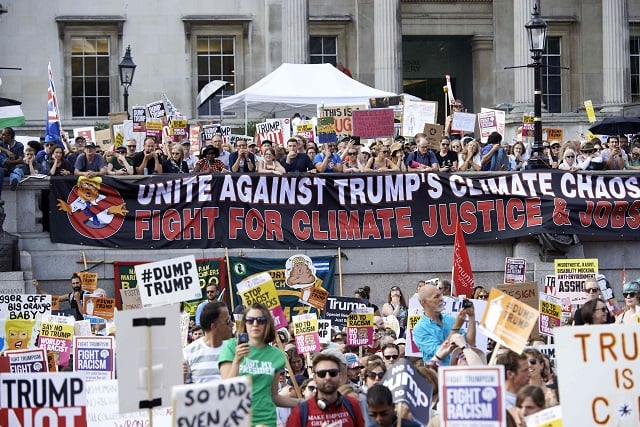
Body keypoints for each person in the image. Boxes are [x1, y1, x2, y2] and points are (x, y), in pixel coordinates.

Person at [220, 303, 301, 427]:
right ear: (244, 323)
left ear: (267, 324)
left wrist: (303, 402)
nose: (255, 324)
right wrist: (237, 360)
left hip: (266, 420)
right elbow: (226, 390)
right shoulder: (231, 346)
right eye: (250, 320)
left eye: (261, 320)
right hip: (236, 420)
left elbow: (273, 396)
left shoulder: (278, 355)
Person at [286, 349, 365, 427]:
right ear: (315, 378)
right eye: (322, 373)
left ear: (340, 375)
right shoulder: (300, 412)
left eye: (332, 373)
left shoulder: (353, 405)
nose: (327, 377)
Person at [413, 284, 475, 365]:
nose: (441, 299)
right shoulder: (420, 328)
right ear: (424, 302)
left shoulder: (450, 319)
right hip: (437, 375)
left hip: (458, 373)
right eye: (436, 297)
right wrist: (456, 326)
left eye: (441, 295)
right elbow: (441, 353)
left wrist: (471, 316)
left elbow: (470, 343)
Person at [183, 301, 234, 383]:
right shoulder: (188, 353)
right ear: (214, 327)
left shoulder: (236, 349)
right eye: (227, 321)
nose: (232, 324)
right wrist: (182, 378)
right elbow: (184, 391)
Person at [0, 127, 25, 193]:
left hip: (17, 165)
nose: (1, 136)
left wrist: (13, 161)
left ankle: (14, 182)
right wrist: (7, 151)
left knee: (17, 171)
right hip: (5, 167)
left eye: (3, 134)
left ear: (9, 136)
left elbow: (20, 158)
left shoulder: (19, 145)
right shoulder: (2, 144)